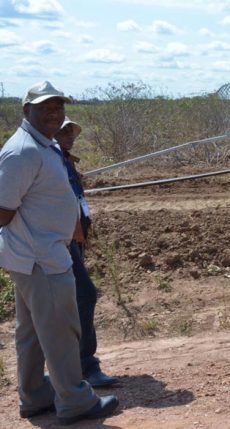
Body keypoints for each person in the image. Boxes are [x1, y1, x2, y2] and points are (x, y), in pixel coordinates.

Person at [0, 81, 119, 425]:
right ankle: (75, 401)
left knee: (33, 333)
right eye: (45, 108)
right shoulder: (23, 151)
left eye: (58, 108)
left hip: (32, 256)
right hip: (42, 259)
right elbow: (3, 210)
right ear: (26, 111)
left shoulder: (42, 144)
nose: (54, 114)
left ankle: (36, 396)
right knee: (62, 333)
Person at [54, 117, 119, 388]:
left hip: (75, 240)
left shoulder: (66, 160)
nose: (70, 135)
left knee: (74, 298)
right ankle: (85, 365)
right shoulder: (52, 161)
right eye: (64, 131)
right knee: (85, 295)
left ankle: (70, 366)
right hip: (62, 240)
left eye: (71, 131)